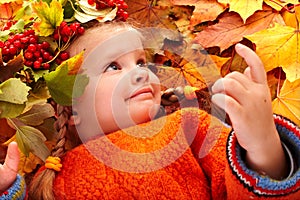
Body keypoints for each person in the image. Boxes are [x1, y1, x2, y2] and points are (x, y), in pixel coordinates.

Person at [0, 21, 299, 200]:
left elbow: (241, 188)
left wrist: (263, 145)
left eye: (141, 62)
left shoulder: (188, 126)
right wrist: (7, 189)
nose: (142, 73)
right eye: (113, 66)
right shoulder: (52, 178)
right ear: (71, 108)